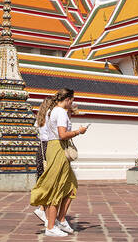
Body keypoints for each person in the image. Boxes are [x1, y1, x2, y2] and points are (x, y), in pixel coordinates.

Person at [30, 88, 88, 237]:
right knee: (57, 186)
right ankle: (50, 226)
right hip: (57, 148)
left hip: (54, 146)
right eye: (72, 100)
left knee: (71, 185)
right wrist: (78, 131)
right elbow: (62, 135)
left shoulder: (52, 111)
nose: (72, 103)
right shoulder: (60, 112)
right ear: (68, 99)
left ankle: (61, 219)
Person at [31, 94, 55, 225]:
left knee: (43, 180)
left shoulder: (39, 118)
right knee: (50, 181)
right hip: (49, 148)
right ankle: (44, 211)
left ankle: (43, 210)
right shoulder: (51, 116)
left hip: (40, 149)